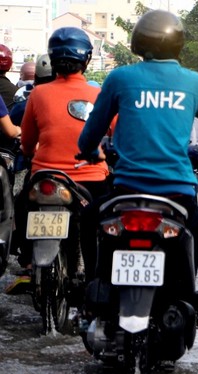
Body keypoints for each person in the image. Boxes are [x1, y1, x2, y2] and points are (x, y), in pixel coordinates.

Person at [77, 9, 198, 328]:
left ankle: (93, 291)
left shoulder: (121, 77)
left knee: (89, 218)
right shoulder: (196, 83)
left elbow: (90, 135)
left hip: (126, 190)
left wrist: (91, 152)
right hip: (176, 192)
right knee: (194, 229)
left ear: (138, 43)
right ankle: (188, 299)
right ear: (178, 44)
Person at [15, 27, 110, 284]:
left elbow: (27, 142)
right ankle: (95, 281)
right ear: (87, 59)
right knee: (101, 227)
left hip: (46, 177)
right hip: (91, 180)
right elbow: (118, 132)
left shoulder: (38, 94)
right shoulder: (99, 95)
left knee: (22, 206)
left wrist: (26, 153)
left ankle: (27, 260)